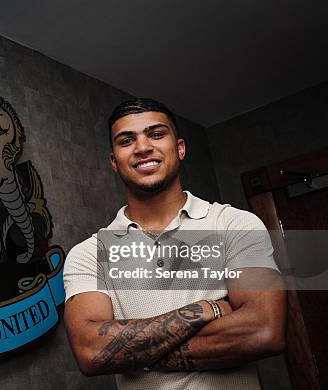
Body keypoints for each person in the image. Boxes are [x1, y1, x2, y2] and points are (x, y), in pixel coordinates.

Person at [63, 98, 286, 389]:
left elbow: (263, 330)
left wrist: (134, 354)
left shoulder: (234, 224)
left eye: (156, 134)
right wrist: (209, 308)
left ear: (179, 148)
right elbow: (91, 351)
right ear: (114, 162)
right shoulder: (88, 254)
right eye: (127, 140)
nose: (143, 147)